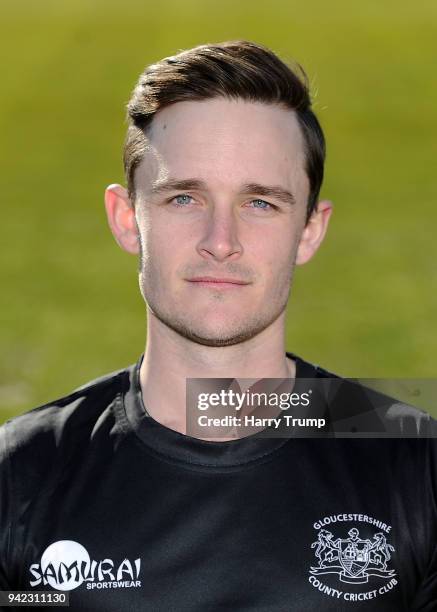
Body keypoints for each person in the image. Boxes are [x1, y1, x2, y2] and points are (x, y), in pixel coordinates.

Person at [0, 40, 436, 611]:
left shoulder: (417, 465)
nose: (221, 242)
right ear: (128, 220)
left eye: (261, 203)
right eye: (184, 198)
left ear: (309, 229)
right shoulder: (21, 475)